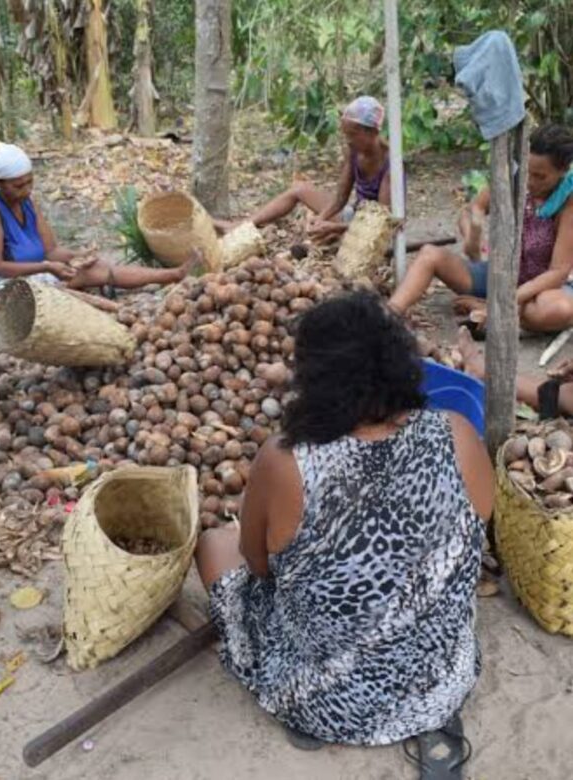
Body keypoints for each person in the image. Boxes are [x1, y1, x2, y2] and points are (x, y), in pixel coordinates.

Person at [194, 291, 493, 753]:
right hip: (438, 684)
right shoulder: (457, 432)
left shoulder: (285, 459)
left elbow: (257, 565)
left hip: (322, 700)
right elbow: (473, 531)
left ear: (312, 378)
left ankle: (303, 692)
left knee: (214, 543)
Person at [389, 124, 573, 332]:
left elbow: (557, 273)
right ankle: (388, 316)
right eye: (528, 172)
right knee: (430, 255)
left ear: (562, 171)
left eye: (540, 176)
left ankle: (494, 312)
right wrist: (472, 232)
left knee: (558, 309)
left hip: (544, 290)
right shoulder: (515, 177)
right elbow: (472, 209)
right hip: (502, 278)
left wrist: (500, 303)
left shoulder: (568, 202)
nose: (530, 181)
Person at [0, 142, 195, 290]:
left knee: (96, 266)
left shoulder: (27, 202)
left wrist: (79, 255)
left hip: (32, 272)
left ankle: (172, 275)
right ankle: (172, 275)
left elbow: (51, 251)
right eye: (18, 186)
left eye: (29, 182)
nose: (26, 190)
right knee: (86, 275)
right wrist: (45, 268)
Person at [213, 96, 392, 242]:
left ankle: (338, 235)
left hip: (375, 230)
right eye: (346, 135)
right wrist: (321, 218)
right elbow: (340, 198)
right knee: (299, 189)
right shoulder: (353, 152)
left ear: (372, 132)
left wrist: (337, 228)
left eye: (353, 135)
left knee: (366, 233)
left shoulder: (391, 164)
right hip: (354, 216)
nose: (348, 141)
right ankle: (242, 225)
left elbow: (381, 222)